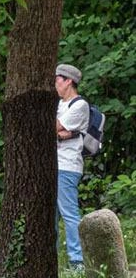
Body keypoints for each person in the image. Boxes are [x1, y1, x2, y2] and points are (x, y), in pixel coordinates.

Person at [55, 63, 88, 269]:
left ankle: (77, 261)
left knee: (69, 214)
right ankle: (53, 259)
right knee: (51, 215)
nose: (55, 84)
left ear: (68, 81)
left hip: (67, 166)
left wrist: (61, 130)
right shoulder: (59, 105)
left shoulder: (79, 105)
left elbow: (56, 126)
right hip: (55, 165)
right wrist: (61, 132)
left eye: (57, 80)